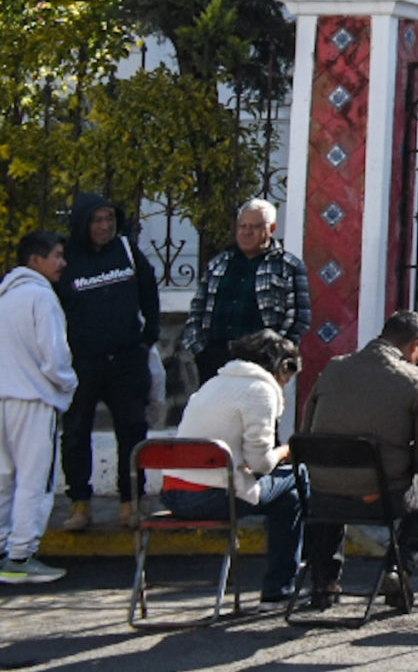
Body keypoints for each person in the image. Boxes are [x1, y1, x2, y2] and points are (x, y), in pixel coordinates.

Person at [299, 310, 418, 612]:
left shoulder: (334, 367)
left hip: (322, 495)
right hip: (383, 496)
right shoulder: (416, 379)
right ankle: (399, 569)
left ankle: (324, 581)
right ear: (416, 345)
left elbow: (307, 429)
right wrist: (404, 468)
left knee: (334, 481)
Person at [162, 330, 306, 601]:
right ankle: (292, 581)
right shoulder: (261, 390)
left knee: (290, 497)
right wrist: (286, 451)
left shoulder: (212, 384)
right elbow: (261, 463)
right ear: (282, 367)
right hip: (212, 498)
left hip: (173, 494)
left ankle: (288, 579)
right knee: (300, 476)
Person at [55, 192, 162, 532]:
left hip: (126, 359)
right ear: (82, 224)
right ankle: (80, 504)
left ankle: (131, 502)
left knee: (132, 430)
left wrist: (147, 340)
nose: (104, 227)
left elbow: (149, 294)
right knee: (75, 432)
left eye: (109, 220)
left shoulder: (127, 251)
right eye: (96, 221)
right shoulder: (67, 258)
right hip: (82, 362)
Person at [0, 230, 76, 586]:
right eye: (57, 256)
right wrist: (68, 384)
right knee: (35, 481)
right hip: (36, 401)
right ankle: (21, 555)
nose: (62, 263)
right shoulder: (42, 298)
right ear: (36, 261)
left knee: (2, 479)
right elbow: (55, 356)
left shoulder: (2, 297)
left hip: (3, 399)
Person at [181, 199, 311, 386]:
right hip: (215, 357)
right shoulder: (219, 264)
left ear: (272, 229)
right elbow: (197, 310)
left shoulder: (288, 266)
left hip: (261, 360)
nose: (246, 232)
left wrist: (277, 354)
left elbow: (299, 318)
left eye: (255, 227)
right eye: (243, 226)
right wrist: (199, 351)